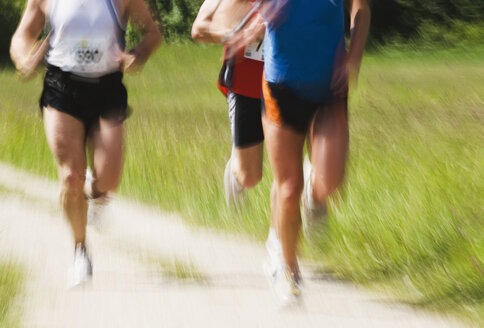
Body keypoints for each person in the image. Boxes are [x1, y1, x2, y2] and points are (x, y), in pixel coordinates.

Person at [10, 0, 162, 286]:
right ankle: (80, 252)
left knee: (110, 179)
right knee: (70, 175)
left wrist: (137, 55)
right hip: (61, 87)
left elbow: (152, 33)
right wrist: (24, 60)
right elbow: (21, 36)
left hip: (107, 88)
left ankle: (94, 190)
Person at [230, 0, 370, 305]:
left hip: (330, 87)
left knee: (330, 181)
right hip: (282, 85)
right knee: (289, 188)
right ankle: (288, 269)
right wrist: (255, 22)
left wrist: (354, 57)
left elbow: (360, 9)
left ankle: (313, 194)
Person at [191, 0, 266, 205]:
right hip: (246, 82)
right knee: (250, 176)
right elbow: (199, 29)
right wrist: (237, 35)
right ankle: (235, 174)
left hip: (287, 77)